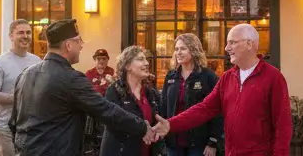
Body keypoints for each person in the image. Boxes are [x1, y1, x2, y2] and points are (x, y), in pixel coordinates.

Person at [9, 18, 158, 156]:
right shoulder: (71, 79)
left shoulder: (25, 75)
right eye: (79, 41)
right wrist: (142, 127)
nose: (81, 45)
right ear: (68, 45)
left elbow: (13, 123)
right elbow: (105, 109)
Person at [153, 23, 291, 156]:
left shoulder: (273, 78)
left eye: (232, 42)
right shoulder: (227, 78)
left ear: (249, 44)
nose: (226, 48)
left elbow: (283, 126)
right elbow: (204, 108)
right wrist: (171, 124)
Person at [0, 19, 42, 156]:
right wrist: (20, 98)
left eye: (28, 32)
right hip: (5, 127)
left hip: (31, 127)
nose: (25, 36)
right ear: (11, 36)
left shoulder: (37, 62)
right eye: (20, 32)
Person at [160, 34, 222, 156]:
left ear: (193, 50)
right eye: (176, 49)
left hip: (200, 144)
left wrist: (213, 141)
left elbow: (217, 110)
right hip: (173, 142)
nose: (178, 52)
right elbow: (164, 107)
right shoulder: (171, 76)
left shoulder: (207, 76)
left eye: (183, 48)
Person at [101, 46, 165, 156]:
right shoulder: (114, 91)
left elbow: (159, 120)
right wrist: (141, 129)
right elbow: (114, 122)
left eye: (146, 59)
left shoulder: (151, 93)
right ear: (127, 66)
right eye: (140, 59)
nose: (146, 63)